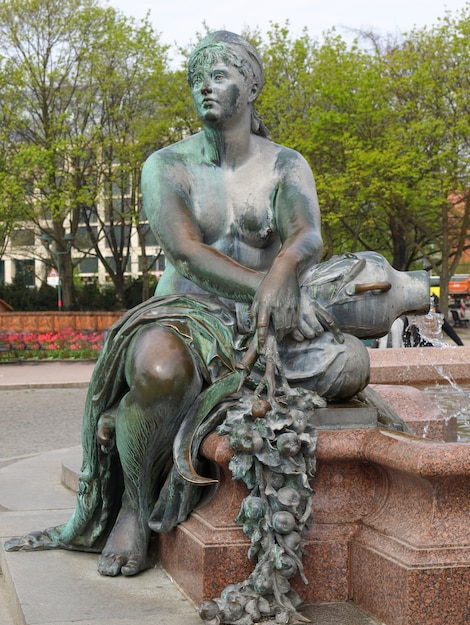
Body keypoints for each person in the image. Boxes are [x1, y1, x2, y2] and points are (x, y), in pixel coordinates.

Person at [6, 31, 423, 576]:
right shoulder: (167, 166)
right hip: (183, 315)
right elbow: (187, 251)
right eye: (197, 77)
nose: (204, 85)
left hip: (260, 321)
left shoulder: (284, 164)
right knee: (161, 371)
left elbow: (306, 236)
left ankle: (134, 418)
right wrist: (270, 287)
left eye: (219, 74)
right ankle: (134, 504)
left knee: (350, 364)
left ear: (250, 86)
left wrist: (283, 278)